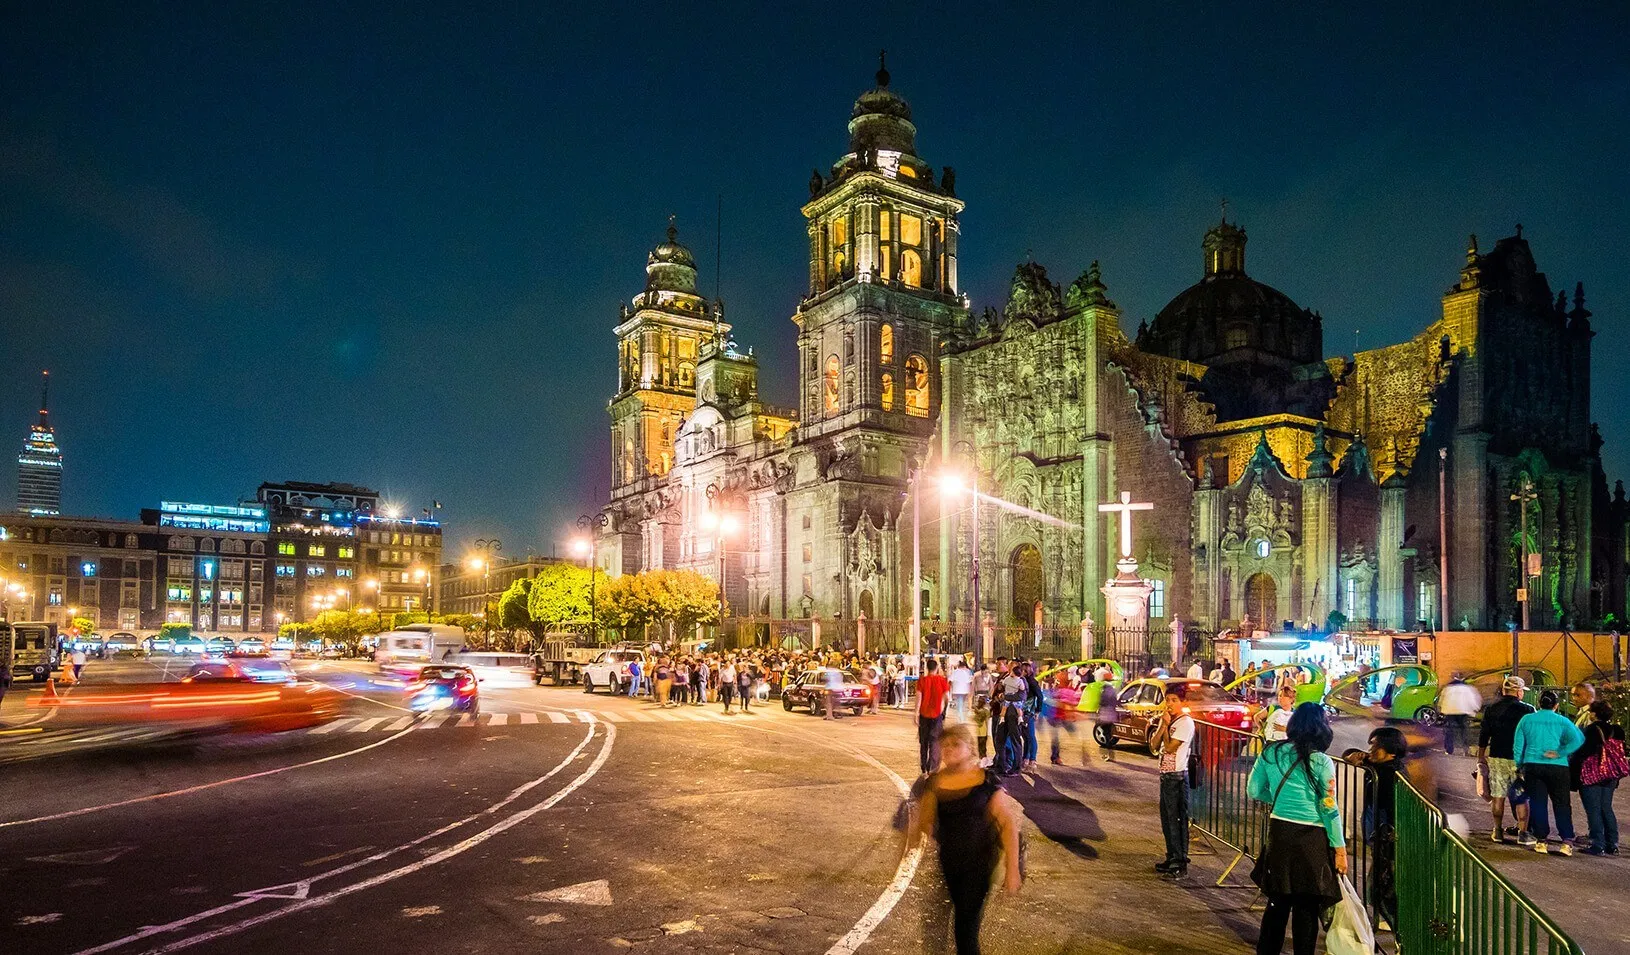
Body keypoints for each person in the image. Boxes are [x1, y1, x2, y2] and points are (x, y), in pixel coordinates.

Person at [906, 723, 1022, 955]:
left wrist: (1012, 868)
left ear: (970, 747)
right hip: (950, 862)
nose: (949, 750)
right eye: (945, 746)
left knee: (965, 928)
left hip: (980, 864)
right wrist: (911, 838)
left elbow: (1007, 824)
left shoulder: (985, 781)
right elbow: (924, 820)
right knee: (956, 917)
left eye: (955, 745)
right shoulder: (935, 782)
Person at [1248, 703, 1347, 955]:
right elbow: (1328, 807)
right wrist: (1340, 849)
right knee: (1306, 908)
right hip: (1311, 839)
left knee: (1277, 903)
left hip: (1280, 833)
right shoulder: (1321, 761)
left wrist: (1281, 801)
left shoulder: (1271, 753)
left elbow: (1254, 790)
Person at [1345, 727, 1407, 930]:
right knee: (1378, 882)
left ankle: (1396, 927)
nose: (1371, 749)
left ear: (1391, 751)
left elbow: (1395, 811)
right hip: (1378, 837)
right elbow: (1348, 755)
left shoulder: (1392, 774)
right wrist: (1356, 756)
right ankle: (1386, 919)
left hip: (1389, 837)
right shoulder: (1379, 765)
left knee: (1384, 883)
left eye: (1376, 746)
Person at [1514, 690, 1585, 855]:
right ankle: (1566, 841)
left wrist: (1519, 765)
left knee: (1539, 804)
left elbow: (1518, 746)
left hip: (1533, 766)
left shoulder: (1527, 720)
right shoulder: (1562, 721)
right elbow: (1578, 739)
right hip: (1558, 767)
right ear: (1556, 705)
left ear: (1539, 704)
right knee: (1562, 804)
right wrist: (1561, 752)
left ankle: (1541, 841)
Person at [1479, 675, 1536, 844]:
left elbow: (1484, 735)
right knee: (1521, 796)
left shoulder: (1491, 709)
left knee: (1498, 795)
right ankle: (1523, 833)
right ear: (1518, 692)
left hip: (1497, 757)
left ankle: (1497, 831)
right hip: (1520, 759)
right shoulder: (1528, 710)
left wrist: (1481, 757)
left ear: (1504, 690)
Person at [1152, 686, 1197, 878]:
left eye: (1173, 700)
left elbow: (1170, 748)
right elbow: (1154, 745)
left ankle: (1180, 860)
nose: (1169, 704)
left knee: (1177, 819)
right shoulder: (1169, 721)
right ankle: (1171, 856)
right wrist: (1163, 725)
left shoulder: (1185, 723)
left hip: (1177, 776)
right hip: (1166, 775)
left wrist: (1166, 728)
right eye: (1167, 699)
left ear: (1183, 703)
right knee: (1166, 819)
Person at [1571, 701, 1623, 855]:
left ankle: (1597, 844)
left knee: (1593, 809)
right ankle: (1612, 844)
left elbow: (1582, 753)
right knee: (1606, 807)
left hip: (1592, 774)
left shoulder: (1591, 730)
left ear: (1594, 714)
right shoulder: (1617, 730)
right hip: (1611, 774)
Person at [915, 658, 951, 773]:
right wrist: (943, 709)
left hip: (924, 714)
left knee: (923, 742)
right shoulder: (942, 680)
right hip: (937, 715)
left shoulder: (922, 680)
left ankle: (924, 767)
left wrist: (916, 713)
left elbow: (918, 697)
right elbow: (947, 697)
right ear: (937, 668)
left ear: (927, 668)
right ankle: (933, 768)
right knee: (935, 742)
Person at [1438, 672, 1482, 756]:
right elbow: (1475, 699)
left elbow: (1442, 700)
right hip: (1463, 711)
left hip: (1450, 711)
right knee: (1464, 731)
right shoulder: (1468, 688)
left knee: (1449, 731)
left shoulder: (1448, 688)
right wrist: (1474, 710)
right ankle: (1465, 750)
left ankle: (1449, 750)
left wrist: (1442, 710)